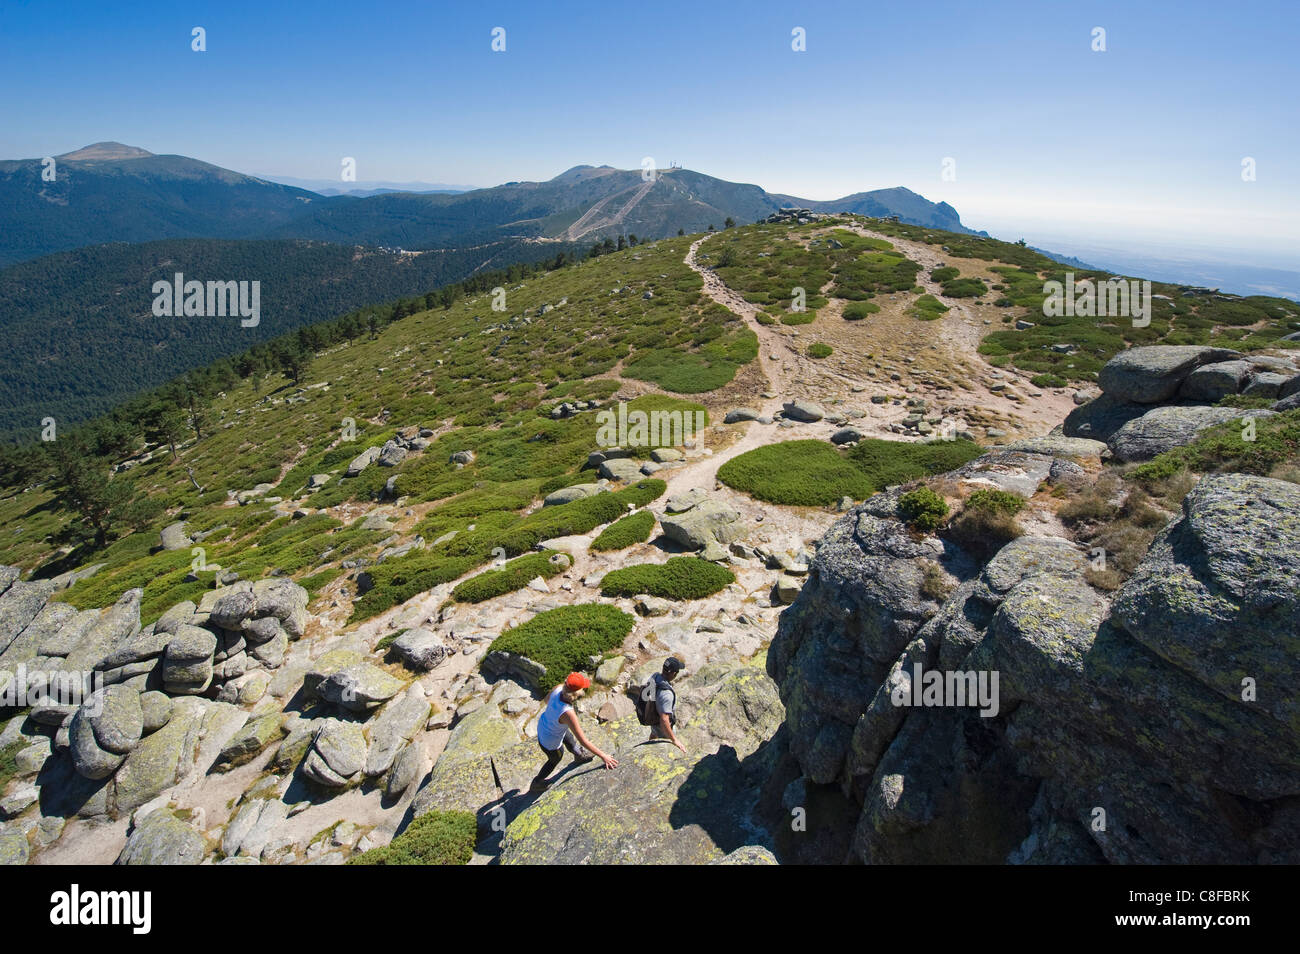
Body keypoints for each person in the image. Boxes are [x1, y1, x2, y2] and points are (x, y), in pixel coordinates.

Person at [530, 672, 617, 792]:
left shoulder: (559, 688)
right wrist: (603, 756)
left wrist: (556, 714)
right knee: (555, 758)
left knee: (568, 736)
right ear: (577, 693)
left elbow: (546, 700)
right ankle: (537, 782)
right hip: (550, 741)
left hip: (545, 725)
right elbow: (583, 740)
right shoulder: (568, 713)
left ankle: (579, 755)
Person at [646, 657, 687, 753]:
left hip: (652, 717)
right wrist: (674, 740)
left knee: (654, 732)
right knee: (669, 749)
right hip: (662, 727)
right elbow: (664, 719)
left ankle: (650, 744)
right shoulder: (666, 694)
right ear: (673, 673)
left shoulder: (655, 677)